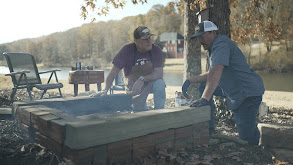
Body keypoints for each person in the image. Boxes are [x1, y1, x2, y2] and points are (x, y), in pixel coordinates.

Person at [182, 21, 265, 145]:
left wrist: (204, 99)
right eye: (198, 37)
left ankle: (260, 141)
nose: (200, 41)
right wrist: (190, 81)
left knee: (246, 140)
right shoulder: (215, 47)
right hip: (235, 88)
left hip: (247, 92)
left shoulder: (220, 43)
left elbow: (215, 72)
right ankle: (209, 130)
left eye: (202, 36)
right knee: (204, 85)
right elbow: (212, 74)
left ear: (213, 33)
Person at [91, 26, 166, 111]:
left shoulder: (156, 50)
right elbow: (113, 72)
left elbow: (159, 73)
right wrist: (105, 90)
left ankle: (160, 112)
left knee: (160, 83)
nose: (149, 41)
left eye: (149, 37)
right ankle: (142, 109)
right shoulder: (126, 50)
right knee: (140, 113)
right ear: (136, 41)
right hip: (133, 86)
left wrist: (142, 79)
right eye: (145, 39)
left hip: (150, 83)